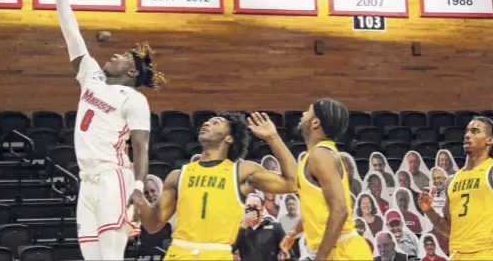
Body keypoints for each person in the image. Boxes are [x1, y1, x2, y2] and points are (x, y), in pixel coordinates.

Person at [54, 0, 165, 260]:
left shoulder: (135, 100)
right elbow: (71, 35)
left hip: (112, 178)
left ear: (131, 73)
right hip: (86, 180)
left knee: (111, 257)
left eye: (124, 56)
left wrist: (139, 186)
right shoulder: (91, 75)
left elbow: (141, 148)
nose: (115, 54)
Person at [135, 112, 298, 261]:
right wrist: (136, 192)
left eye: (216, 123)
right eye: (206, 122)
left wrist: (272, 137)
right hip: (178, 251)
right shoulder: (177, 175)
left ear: (229, 138)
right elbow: (152, 225)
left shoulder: (242, 171)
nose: (206, 124)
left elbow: (293, 183)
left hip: (217, 253)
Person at [281, 99, 373, 260]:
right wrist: (294, 232)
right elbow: (319, 206)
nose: (303, 114)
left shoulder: (320, 155)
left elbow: (340, 210)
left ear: (315, 122)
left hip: (343, 251)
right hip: (338, 249)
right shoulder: (317, 155)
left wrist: (321, 257)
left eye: (308, 111)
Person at [419, 117, 493, 261]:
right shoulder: (452, 180)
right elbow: (449, 229)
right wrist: (428, 209)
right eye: (467, 131)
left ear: (489, 140)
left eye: (475, 131)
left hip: (486, 253)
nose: (467, 135)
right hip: (456, 253)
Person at [233, 194, 287, 261]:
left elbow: (287, 250)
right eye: (248, 206)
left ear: (262, 209)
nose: (251, 209)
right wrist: (244, 226)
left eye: (255, 206)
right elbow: (232, 249)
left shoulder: (275, 227)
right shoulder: (238, 228)